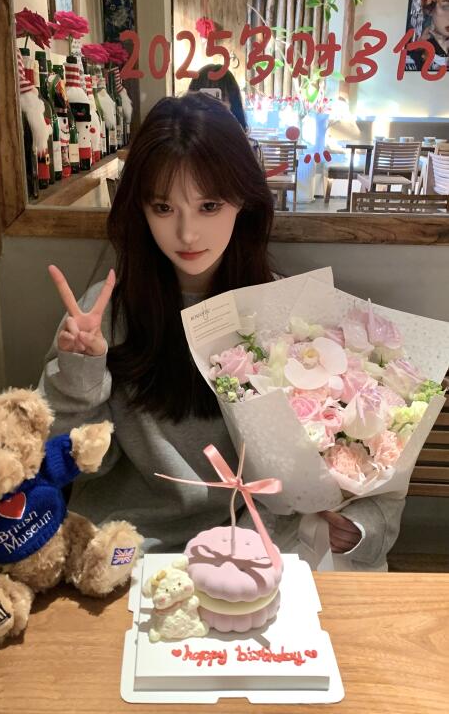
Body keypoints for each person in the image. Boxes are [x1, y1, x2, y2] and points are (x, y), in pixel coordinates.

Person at [39, 93, 404, 571]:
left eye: (209, 205)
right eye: (163, 207)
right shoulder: (104, 313)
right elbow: (76, 467)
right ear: (140, 210)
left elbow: (365, 454)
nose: (188, 233)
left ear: (243, 201)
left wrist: (358, 526)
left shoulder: (292, 313)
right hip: (133, 552)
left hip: (259, 553)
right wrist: (79, 375)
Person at [188, 64, 263, 167]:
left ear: (232, 103)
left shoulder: (248, 147)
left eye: (219, 97)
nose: (211, 103)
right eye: (205, 95)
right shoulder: (181, 145)